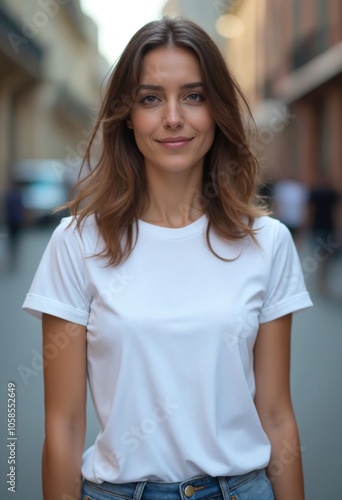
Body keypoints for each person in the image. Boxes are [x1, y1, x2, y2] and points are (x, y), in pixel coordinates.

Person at [23, 17, 313, 500]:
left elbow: (278, 415)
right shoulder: (75, 244)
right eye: (151, 98)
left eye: (194, 96)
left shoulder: (268, 242)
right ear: (127, 115)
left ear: (217, 111)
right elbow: (64, 426)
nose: (173, 117)